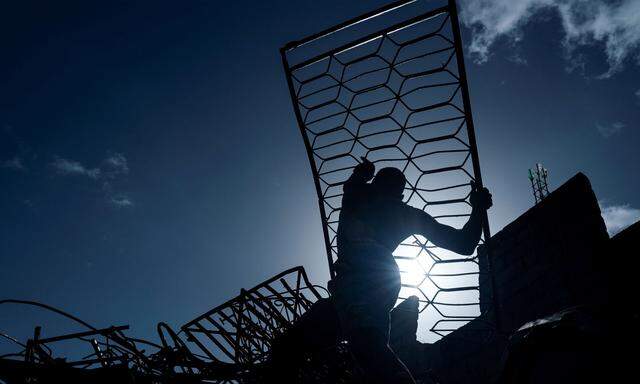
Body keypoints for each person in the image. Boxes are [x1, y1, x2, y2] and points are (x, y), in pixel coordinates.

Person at [328, 158, 493, 383]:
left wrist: (478, 209)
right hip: (353, 286)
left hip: (370, 283)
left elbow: (464, 245)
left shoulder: (365, 198)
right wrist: (478, 208)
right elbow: (464, 244)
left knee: (369, 349)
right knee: (309, 342)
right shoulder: (368, 199)